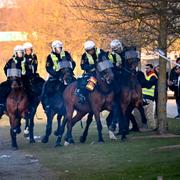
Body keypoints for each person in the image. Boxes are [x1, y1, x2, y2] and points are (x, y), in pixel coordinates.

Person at [41, 40, 76, 110]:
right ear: (53, 49)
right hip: (55, 76)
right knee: (46, 86)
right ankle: (47, 104)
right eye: (57, 48)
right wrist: (56, 74)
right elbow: (48, 68)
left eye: (60, 48)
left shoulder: (66, 54)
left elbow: (73, 63)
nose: (58, 50)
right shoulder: (50, 56)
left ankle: (76, 103)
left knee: (76, 84)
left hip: (66, 74)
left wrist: (70, 70)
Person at [0, 45, 24, 118]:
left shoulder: (24, 61)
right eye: (19, 53)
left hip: (21, 80)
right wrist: (9, 77)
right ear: (16, 53)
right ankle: (1, 104)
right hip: (11, 80)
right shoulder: (11, 61)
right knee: (2, 87)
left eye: (21, 53)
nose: (20, 54)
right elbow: (5, 68)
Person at [142, 64, 158, 130]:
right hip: (144, 96)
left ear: (151, 69)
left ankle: (153, 127)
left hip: (149, 97)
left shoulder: (153, 76)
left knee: (149, 113)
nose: (146, 70)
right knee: (145, 113)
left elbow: (148, 85)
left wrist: (143, 83)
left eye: (148, 68)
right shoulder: (146, 75)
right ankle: (149, 126)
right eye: (145, 68)